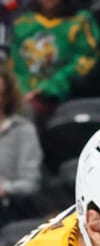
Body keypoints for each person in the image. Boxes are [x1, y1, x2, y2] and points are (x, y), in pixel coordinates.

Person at [9, 0, 99, 122]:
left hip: (61, 94)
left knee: (25, 111)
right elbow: (14, 64)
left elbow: (86, 59)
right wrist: (20, 91)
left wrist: (47, 88)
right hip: (22, 93)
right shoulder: (23, 21)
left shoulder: (79, 21)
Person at [0, 64, 43, 223]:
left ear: (6, 97)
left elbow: (30, 183)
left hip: (8, 211)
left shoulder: (22, 130)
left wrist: (5, 189)